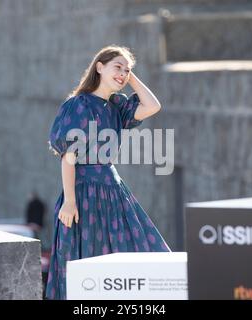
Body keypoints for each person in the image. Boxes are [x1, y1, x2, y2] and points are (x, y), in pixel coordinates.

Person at [46, 45, 171, 300]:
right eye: (118, 67)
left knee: (140, 252)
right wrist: (70, 201)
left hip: (114, 191)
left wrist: (129, 76)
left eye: (127, 70)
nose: (123, 73)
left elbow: (153, 105)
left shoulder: (117, 106)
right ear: (99, 67)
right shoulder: (78, 105)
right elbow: (68, 157)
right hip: (84, 193)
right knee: (87, 261)